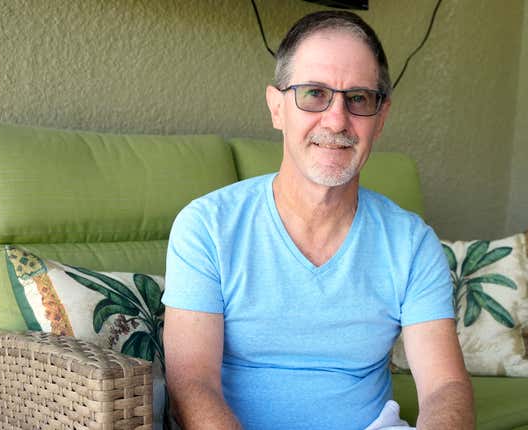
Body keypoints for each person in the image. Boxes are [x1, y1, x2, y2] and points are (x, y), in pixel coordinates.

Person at [162, 10, 474, 430]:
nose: (337, 120)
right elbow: (192, 384)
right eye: (313, 93)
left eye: (359, 98)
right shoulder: (206, 227)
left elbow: (445, 387)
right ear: (277, 108)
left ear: (380, 120)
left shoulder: (412, 242)